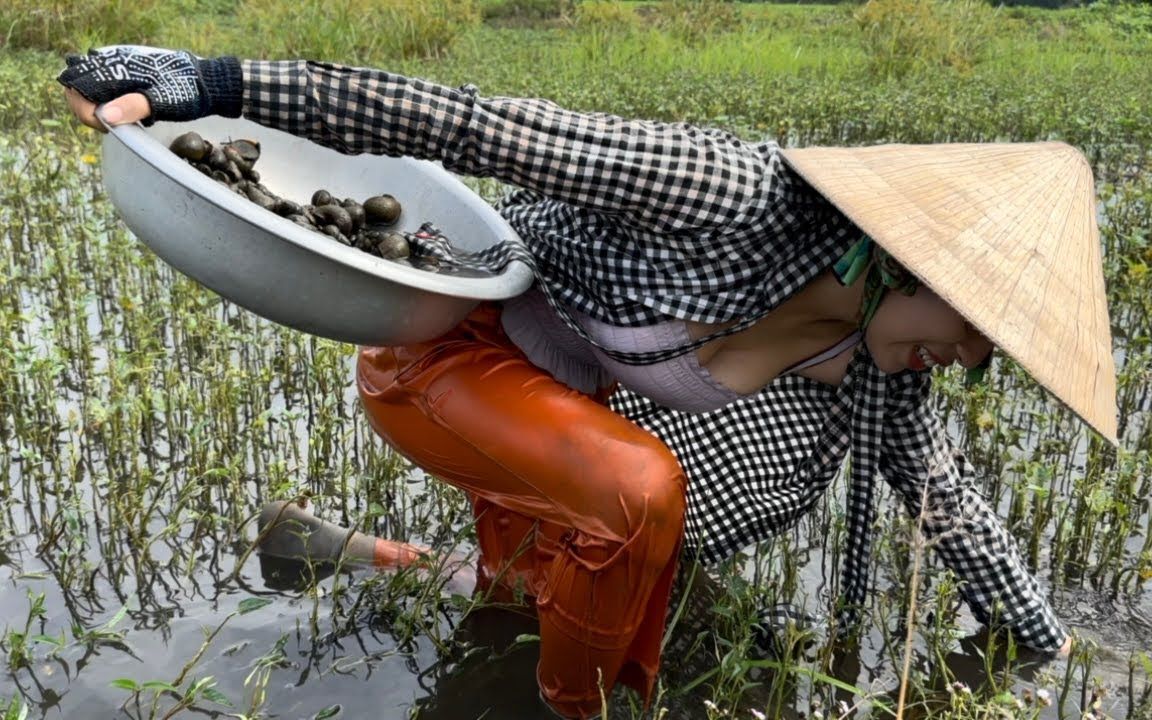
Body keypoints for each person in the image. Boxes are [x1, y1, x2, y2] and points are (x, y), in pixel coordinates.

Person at [59, 46, 1116, 719]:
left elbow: (957, 514)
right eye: (976, 328)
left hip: (556, 428)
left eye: (995, 352)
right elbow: (475, 125)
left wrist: (1045, 647)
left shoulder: (881, 381)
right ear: (904, 261)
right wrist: (218, 83)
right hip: (445, 356)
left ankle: (334, 550)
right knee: (636, 496)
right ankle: (580, 714)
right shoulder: (730, 195)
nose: (973, 359)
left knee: (549, 586)